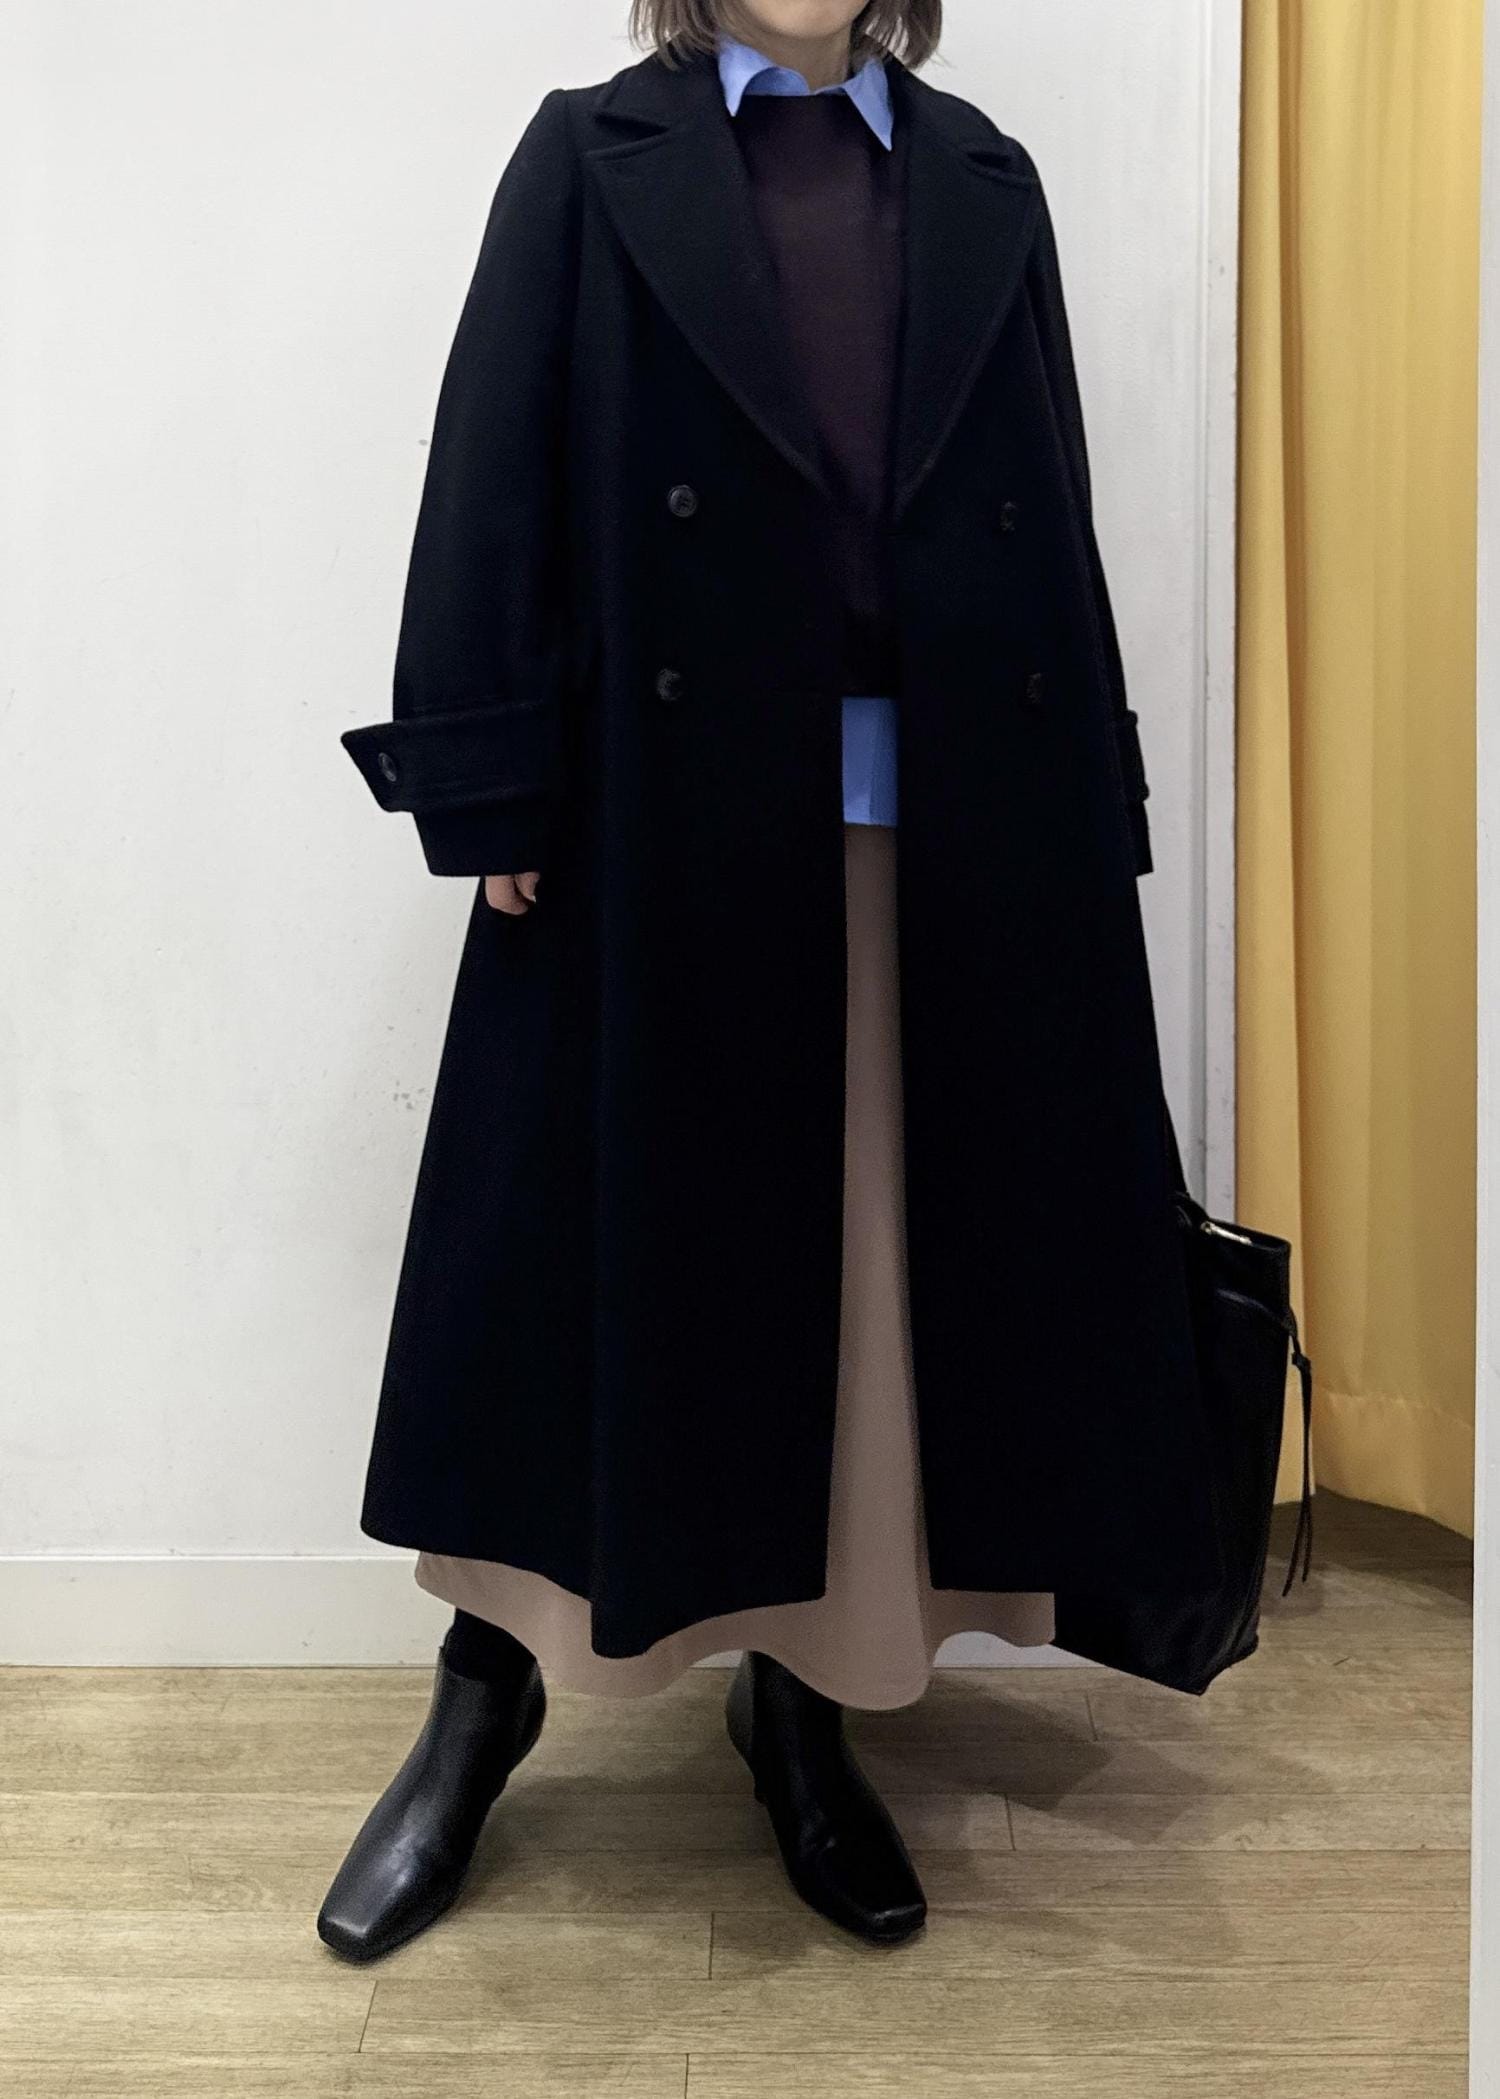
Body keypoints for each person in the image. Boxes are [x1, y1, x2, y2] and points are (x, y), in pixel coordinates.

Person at [321, 0, 1223, 1960]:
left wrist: (1096, 807)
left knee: (859, 1308)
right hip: (658, 828)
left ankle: (803, 1711)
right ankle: (482, 1704)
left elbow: (1048, 508)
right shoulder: (592, 154)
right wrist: (489, 779)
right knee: (598, 1288)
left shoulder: (979, 175)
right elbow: (489, 468)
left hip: (943, 830)